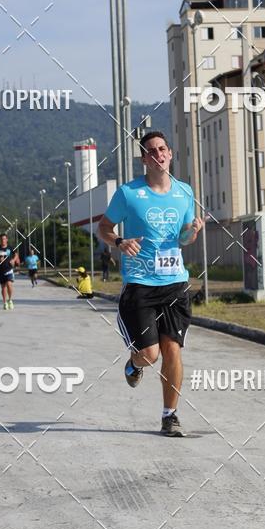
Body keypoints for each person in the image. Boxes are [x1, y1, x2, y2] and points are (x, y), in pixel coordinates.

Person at [98, 131, 204, 437]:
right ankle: (134, 364)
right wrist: (118, 241)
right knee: (150, 354)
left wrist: (192, 231)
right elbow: (104, 227)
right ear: (144, 159)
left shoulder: (185, 192)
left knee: (173, 350)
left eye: (162, 149)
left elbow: (182, 239)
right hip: (140, 285)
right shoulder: (129, 194)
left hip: (175, 284)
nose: (158, 154)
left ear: (170, 154)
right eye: (151, 151)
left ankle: (169, 416)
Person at [0, 233, 19, 309]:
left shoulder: (10, 248)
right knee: (3, 287)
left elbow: (16, 254)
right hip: (0, 270)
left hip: (9, 269)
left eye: (4, 239)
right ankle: (4, 302)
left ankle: (10, 300)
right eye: (1, 239)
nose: (2, 240)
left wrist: (13, 260)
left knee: (9, 284)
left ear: (6, 239)